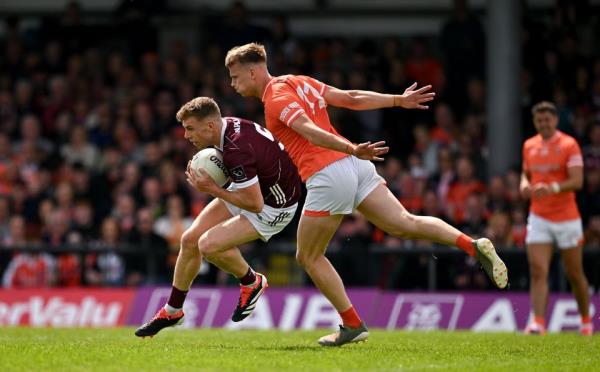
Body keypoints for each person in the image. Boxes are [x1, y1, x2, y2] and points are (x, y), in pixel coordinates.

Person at [225, 43, 508, 346]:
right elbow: (350, 98)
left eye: (235, 76)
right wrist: (399, 100)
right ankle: (472, 243)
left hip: (329, 173)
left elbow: (307, 130)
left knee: (307, 255)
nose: (233, 83)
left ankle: (352, 324)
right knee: (404, 223)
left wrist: (351, 147)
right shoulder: (298, 81)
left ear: (253, 72)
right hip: (354, 166)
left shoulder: (276, 99)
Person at [135, 97, 301, 337]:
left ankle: (251, 282)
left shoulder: (236, 148)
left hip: (275, 206)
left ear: (210, 126)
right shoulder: (228, 128)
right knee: (190, 239)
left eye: (190, 128)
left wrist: (212, 188)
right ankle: (173, 310)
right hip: (255, 189)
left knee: (208, 245)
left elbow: (255, 204)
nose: (186, 135)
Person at [520, 101, 592, 336]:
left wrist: (552, 187)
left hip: (566, 218)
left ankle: (585, 321)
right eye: (539, 120)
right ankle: (538, 323)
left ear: (555, 120)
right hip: (539, 215)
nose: (544, 124)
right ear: (535, 122)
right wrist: (524, 184)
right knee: (538, 270)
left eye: (547, 119)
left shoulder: (569, 144)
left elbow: (578, 181)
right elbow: (527, 173)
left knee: (574, 273)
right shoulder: (529, 145)